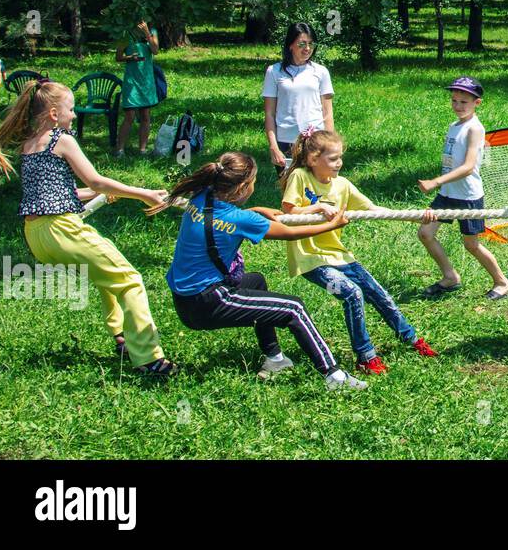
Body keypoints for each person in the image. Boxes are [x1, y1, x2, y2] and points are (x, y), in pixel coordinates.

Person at [0, 79, 176, 376]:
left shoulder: (29, 145)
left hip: (37, 236)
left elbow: (66, 193)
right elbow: (95, 181)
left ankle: (121, 336)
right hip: (63, 230)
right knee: (129, 279)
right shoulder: (61, 138)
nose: (74, 115)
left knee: (106, 271)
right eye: (71, 109)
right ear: (53, 113)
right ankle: (150, 359)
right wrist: (143, 192)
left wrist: (109, 194)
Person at [156, 152, 368, 390]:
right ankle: (334, 377)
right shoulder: (239, 219)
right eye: (254, 181)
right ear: (243, 187)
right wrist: (331, 225)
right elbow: (288, 233)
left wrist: (256, 209)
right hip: (209, 302)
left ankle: (275, 359)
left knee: (255, 281)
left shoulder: (200, 197)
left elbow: (230, 219)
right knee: (294, 308)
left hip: (185, 300)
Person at [281, 129, 437, 374]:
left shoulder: (342, 185)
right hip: (311, 260)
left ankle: (411, 338)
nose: (339, 163)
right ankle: (365, 356)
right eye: (333, 159)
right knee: (352, 294)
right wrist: (318, 207)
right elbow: (289, 212)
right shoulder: (300, 177)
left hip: (339, 255)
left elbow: (373, 208)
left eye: (340, 157)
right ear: (313, 159)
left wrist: (415, 217)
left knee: (379, 293)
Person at [415, 76, 508, 300]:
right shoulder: (454, 126)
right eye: (454, 100)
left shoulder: (474, 129)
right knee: (425, 233)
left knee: (472, 245)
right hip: (448, 193)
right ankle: (450, 277)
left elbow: (468, 167)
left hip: (467, 196)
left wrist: (435, 181)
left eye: (463, 102)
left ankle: (502, 282)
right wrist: (443, 184)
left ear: (477, 103)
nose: (457, 106)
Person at [262, 22, 334, 171]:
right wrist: (273, 147)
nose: (307, 49)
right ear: (290, 45)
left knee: (315, 191)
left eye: (310, 44)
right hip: (285, 142)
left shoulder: (321, 72)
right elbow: (269, 114)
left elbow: (327, 113)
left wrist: (330, 144)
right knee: (290, 190)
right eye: (302, 44)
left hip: (315, 141)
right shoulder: (274, 71)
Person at [115, 19, 160, 157]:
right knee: (129, 115)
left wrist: (147, 32)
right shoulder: (125, 34)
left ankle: (142, 149)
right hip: (132, 80)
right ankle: (119, 149)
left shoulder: (152, 32)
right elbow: (118, 57)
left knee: (146, 115)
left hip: (146, 81)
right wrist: (129, 57)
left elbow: (155, 50)